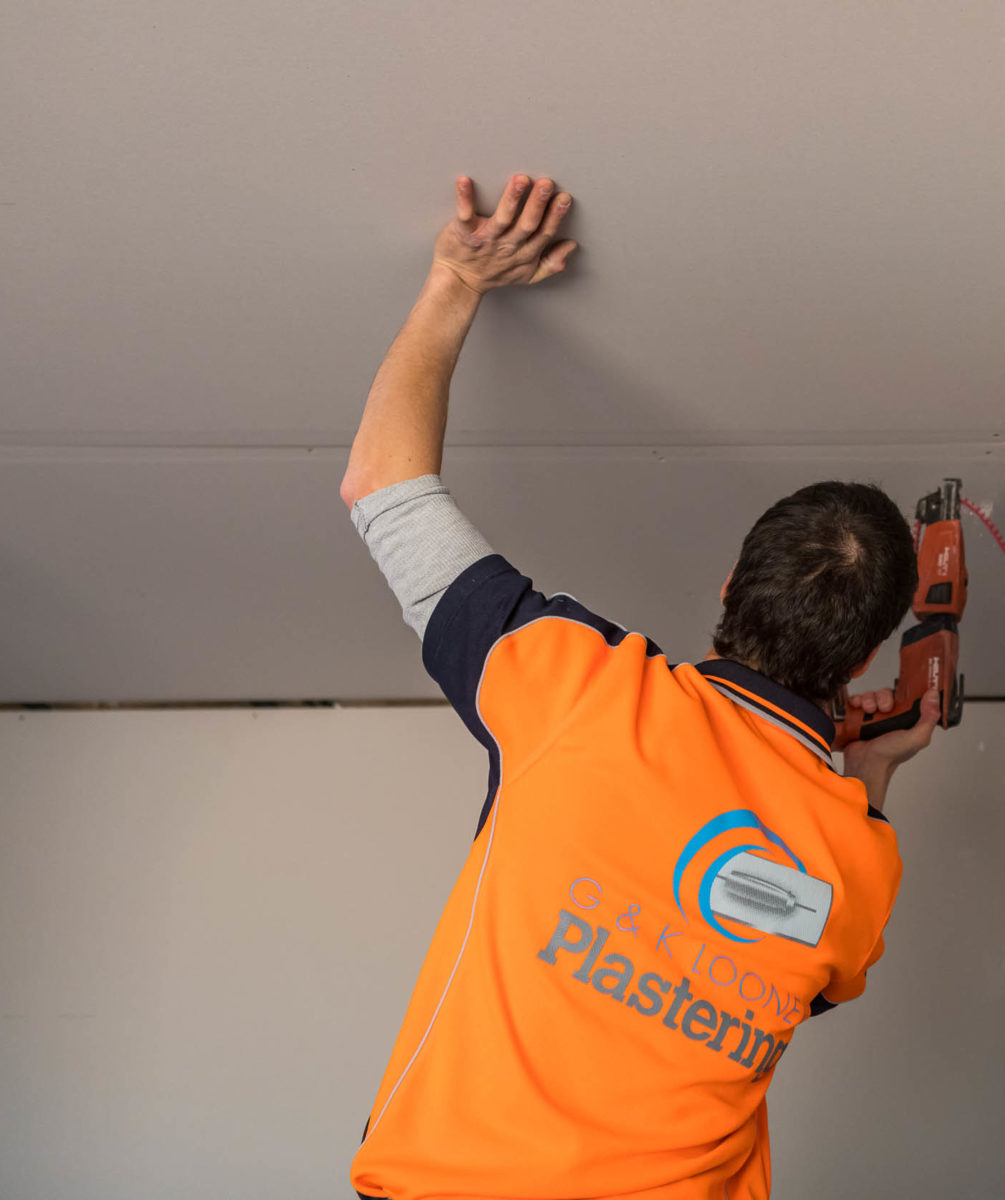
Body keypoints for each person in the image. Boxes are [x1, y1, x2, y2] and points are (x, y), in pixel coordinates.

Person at [338, 172, 940, 1200]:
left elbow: (383, 488)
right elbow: (804, 970)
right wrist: (869, 773)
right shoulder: (860, 869)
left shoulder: (580, 687)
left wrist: (454, 282)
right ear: (862, 662)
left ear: (728, 585)